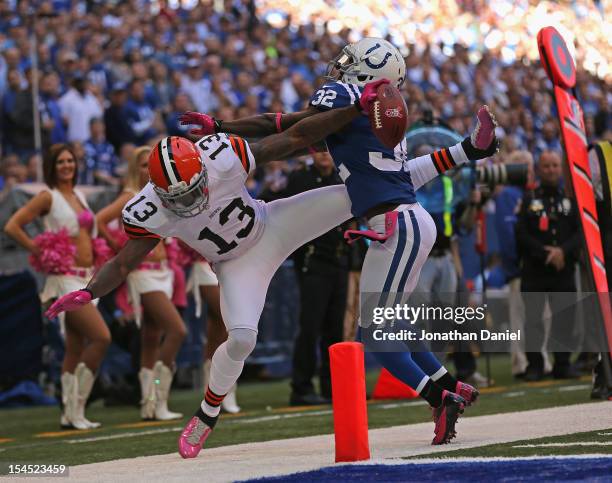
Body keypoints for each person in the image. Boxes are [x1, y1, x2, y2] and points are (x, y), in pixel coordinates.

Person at [180, 37, 499, 445]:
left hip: (397, 226)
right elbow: (287, 123)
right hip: (403, 224)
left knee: (377, 337)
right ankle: (449, 383)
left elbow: (292, 133)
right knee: (394, 326)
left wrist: (237, 151)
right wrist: (469, 149)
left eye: (353, 60)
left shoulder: (348, 99)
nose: (341, 63)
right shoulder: (371, 117)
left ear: (369, 74)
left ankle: (440, 398)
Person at [4, 144, 111, 429]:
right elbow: (13, 225)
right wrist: (38, 250)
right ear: (52, 167)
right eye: (61, 162)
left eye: (70, 161)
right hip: (64, 280)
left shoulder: (78, 196)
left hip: (86, 278)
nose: (67, 165)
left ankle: (69, 414)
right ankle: (77, 407)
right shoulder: (46, 197)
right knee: (101, 337)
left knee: (75, 348)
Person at [95, 146, 186, 420]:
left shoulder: (160, 195)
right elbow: (99, 221)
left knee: (150, 338)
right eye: (144, 166)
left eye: (152, 165)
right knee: (177, 331)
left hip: (163, 271)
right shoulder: (130, 195)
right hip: (144, 274)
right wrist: (119, 248)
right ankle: (158, 399)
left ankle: (148, 404)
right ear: (136, 170)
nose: (148, 170)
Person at [515, 150, 582, 381]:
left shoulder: (570, 197)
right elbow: (521, 233)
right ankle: (535, 366)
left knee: (565, 318)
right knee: (533, 320)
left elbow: (580, 231)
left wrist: (562, 251)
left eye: (555, 165)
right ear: (539, 169)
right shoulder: (529, 197)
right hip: (535, 269)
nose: (551, 170)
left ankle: (562, 365)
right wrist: (546, 253)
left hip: (563, 269)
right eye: (546, 166)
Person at [188, 254, 241, 414]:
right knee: (227, 319)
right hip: (204, 264)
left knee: (218, 327)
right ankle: (219, 391)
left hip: (228, 262)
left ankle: (217, 391)